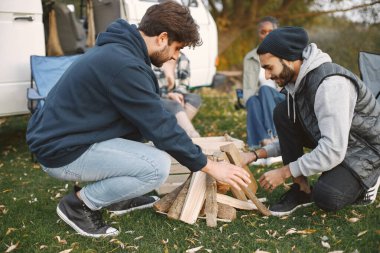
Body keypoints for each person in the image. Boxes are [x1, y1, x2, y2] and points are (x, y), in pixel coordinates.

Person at [26, 1, 251, 238]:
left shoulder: (122, 51)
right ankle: (80, 205)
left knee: (153, 147)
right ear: (162, 38)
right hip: (61, 151)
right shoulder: (124, 64)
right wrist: (210, 166)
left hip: (69, 138)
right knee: (156, 168)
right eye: (177, 48)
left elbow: (151, 114)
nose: (175, 57)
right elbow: (159, 126)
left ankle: (115, 198)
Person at [241, 26, 380, 217]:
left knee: (328, 196)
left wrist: (283, 172)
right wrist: (255, 155)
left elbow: (332, 150)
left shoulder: (331, 85)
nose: (266, 76)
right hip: (339, 143)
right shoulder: (295, 83)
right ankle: (302, 190)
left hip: (365, 152)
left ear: (289, 59)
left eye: (268, 67)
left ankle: (370, 181)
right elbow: (294, 136)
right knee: (283, 113)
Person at [242, 16, 285, 149]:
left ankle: (275, 136)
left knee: (265, 89)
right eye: (263, 32)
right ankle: (262, 141)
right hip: (260, 98)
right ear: (258, 34)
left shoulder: (285, 53)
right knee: (252, 100)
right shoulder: (250, 57)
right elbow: (248, 87)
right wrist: (248, 100)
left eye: (270, 32)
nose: (266, 35)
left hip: (282, 96)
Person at [153, 52, 201, 137]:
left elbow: (184, 84)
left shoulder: (183, 59)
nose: (176, 54)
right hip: (157, 97)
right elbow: (152, 88)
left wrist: (178, 95)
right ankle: (192, 136)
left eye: (179, 48)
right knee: (174, 105)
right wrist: (169, 96)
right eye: (176, 48)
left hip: (174, 96)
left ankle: (170, 133)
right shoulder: (155, 59)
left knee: (195, 99)